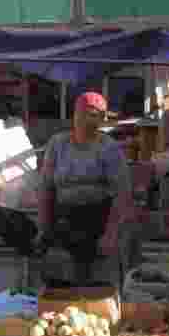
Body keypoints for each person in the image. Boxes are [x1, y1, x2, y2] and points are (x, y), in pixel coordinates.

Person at [33, 92, 134, 287]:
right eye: (84, 113)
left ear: (102, 120)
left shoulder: (108, 148)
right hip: (64, 217)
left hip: (96, 218)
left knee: (89, 279)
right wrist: (43, 228)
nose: (88, 119)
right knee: (56, 276)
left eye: (95, 115)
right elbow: (46, 188)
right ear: (75, 114)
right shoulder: (58, 144)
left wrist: (111, 234)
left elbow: (122, 193)